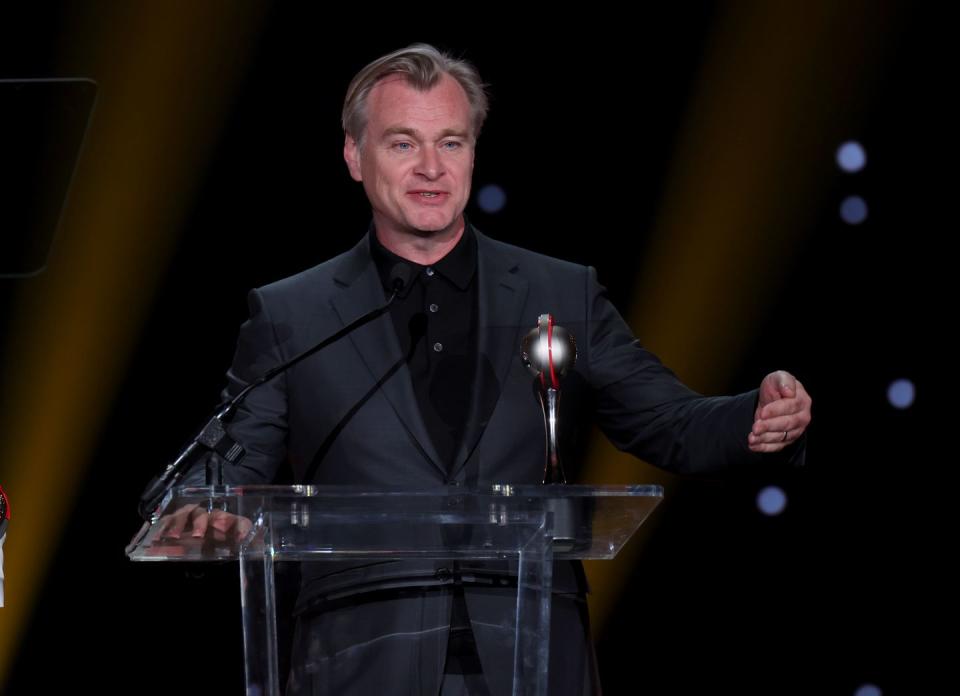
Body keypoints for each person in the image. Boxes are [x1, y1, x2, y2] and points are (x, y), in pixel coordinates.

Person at [168, 44, 812, 695]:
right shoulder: (294, 314)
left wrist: (754, 418)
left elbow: (670, 422)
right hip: (363, 660)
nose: (430, 168)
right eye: (402, 144)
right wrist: (200, 507)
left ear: (474, 152)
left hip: (532, 656)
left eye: (451, 142)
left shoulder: (558, 292)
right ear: (354, 156)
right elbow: (229, 463)